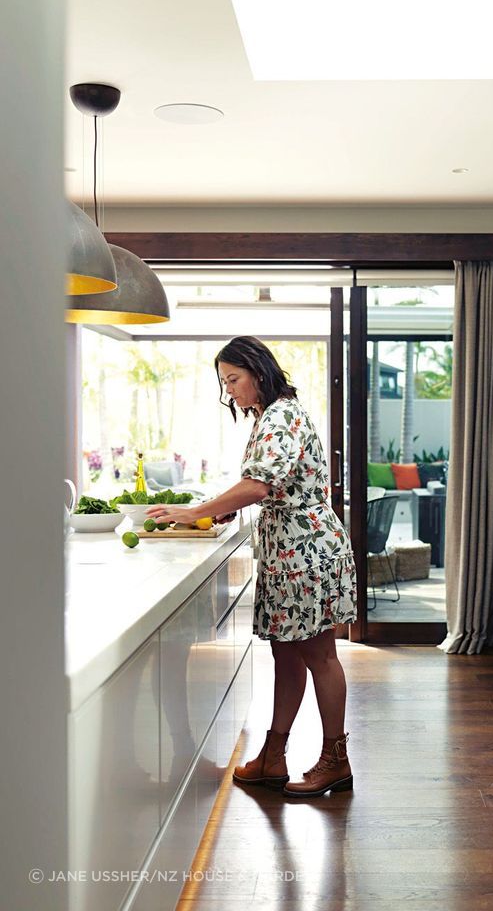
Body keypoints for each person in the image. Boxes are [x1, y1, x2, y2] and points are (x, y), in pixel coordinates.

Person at [149, 336, 357, 798]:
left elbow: (259, 485)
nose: (229, 391)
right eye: (224, 382)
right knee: (287, 654)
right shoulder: (271, 415)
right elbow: (268, 485)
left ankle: (336, 761)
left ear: (258, 373)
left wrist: (195, 510)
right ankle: (272, 756)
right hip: (290, 552)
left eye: (233, 379)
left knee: (319, 655)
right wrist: (224, 509)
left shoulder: (280, 416)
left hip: (306, 552)